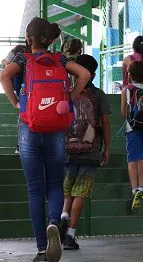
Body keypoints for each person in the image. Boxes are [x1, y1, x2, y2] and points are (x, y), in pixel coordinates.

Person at [0, 18, 91, 262]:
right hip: (56, 129)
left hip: (29, 127)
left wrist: (17, 103)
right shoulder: (60, 60)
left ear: (28, 39)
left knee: (35, 189)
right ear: (49, 40)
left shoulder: (22, 59)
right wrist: (70, 97)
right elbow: (84, 73)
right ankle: (54, 221)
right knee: (54, 184)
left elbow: (4, 77)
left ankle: (42, 248)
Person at [60, 54, 111, 251]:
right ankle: (70, 235)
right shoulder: (98, 95)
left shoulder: (66, 94)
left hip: (68, 150)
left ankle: (63, 217)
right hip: (90, 152)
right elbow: (105, 122)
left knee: (68, 190)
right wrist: (107, 148)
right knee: (81, 192)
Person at [121, 60, 143, 211]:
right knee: (142, 156)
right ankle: (142, 188)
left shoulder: (127, 90)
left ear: (129, 75)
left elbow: (123, 112)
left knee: (132, 158)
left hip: (133, 128)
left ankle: (134, 189)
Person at [2, 45, 28, 154]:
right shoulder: (50, 56)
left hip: (22, 91)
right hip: (41, 92)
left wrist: (15, 102)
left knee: (24, 116)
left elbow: (4, 72)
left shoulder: (19, 53)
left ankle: (21, 146)